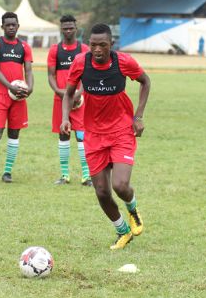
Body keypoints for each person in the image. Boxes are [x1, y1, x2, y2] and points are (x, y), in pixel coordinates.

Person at [61, 23, 151, 250]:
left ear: (111, 44)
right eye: (93, 45)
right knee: (101, 191)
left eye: (102, 45)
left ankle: (133, 209)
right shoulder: (81, 62)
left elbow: (145, 81)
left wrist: (138, 116)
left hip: (121, 130)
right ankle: (123, 231)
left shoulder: (124, 62)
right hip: (93, 133)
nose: (97, 49)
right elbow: (68, 93)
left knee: (120, 185)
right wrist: (65, 118)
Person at [0, 12, 34, 183]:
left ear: (18, 26)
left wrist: (30, 88)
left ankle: (7, 173)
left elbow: (28, 70)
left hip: (18, 97)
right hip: (0, 95)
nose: (11, 27)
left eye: (14, 24)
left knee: (14, 134)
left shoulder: (24, 47)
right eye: (8, 24)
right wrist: (10, 86)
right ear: (2, 26)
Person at [47, 15, 91, 186]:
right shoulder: (55, 50)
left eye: (71, 27)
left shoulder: (84, 49)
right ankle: (65, 175)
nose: (68, 31)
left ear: (76, 27)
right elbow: (50, 75)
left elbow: (89, 74)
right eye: (65, 28)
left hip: (79, 101)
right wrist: (59, 92)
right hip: (60, 99)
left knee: (81, 136)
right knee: (63, 135)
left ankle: (86, 176)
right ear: (61, 29)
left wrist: (79, 93)